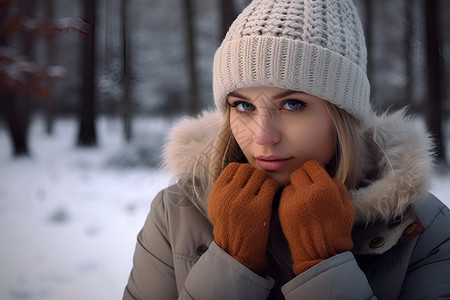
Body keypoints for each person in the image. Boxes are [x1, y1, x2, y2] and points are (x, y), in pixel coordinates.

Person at [123, 0, 450, 299]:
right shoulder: (176, 213)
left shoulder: (421, 227)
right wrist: (231, 261)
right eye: (243, 106)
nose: (263, 137)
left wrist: (324, 264)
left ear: (343, 115)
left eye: (293, 104)